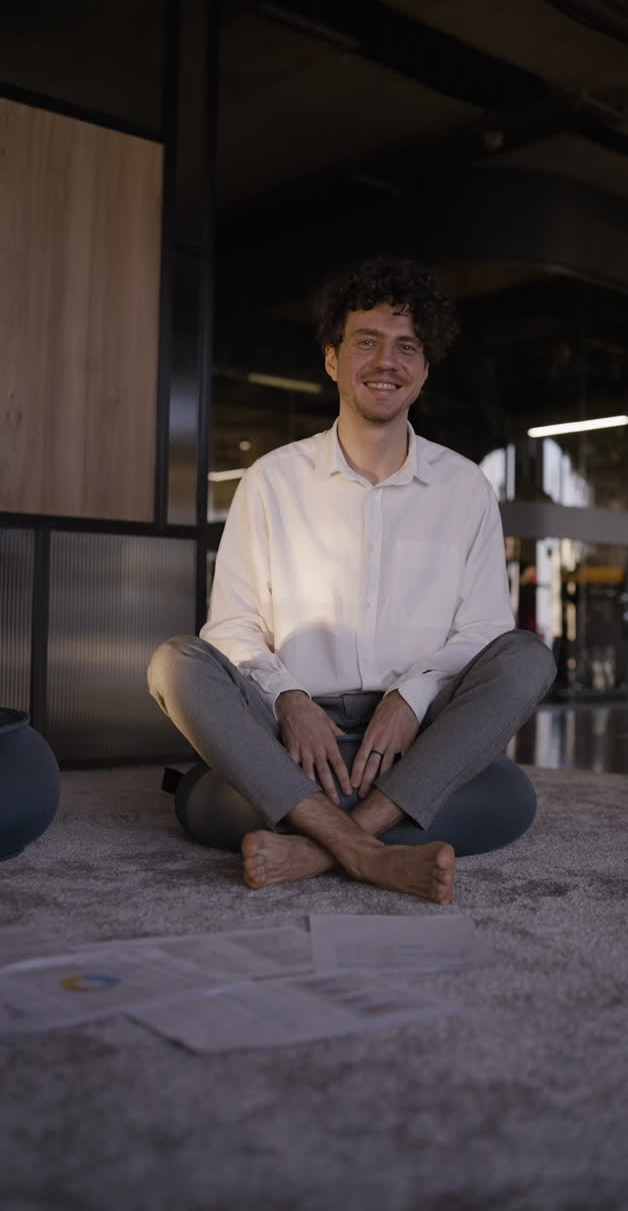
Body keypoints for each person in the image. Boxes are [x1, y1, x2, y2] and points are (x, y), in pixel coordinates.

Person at [148, 256, 555, 905]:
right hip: (289, 730)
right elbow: (232, 627)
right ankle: (374, 842)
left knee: (526, 660)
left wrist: (410, 698)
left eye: (407, 347)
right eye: (366, 341)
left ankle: (313, 835)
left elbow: (482, 631)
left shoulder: (464, 486)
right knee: (175, 662)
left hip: (418, 733)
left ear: (424, 369)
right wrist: (290, 700)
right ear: (333, 358)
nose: (385, 362)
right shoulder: (272, 480)